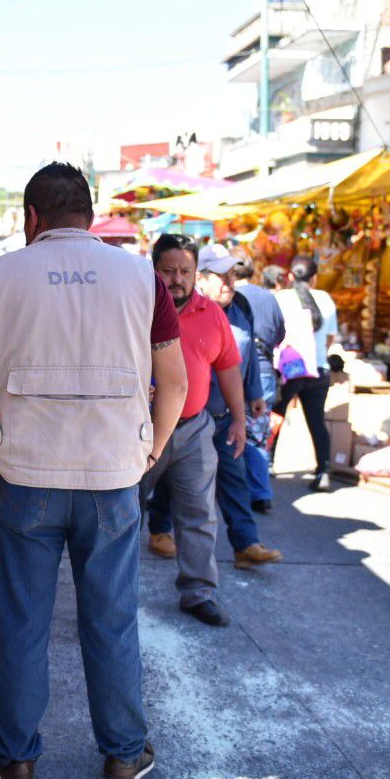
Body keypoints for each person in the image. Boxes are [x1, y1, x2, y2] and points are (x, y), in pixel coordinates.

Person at [0, 163, 186, 779]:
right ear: (89, 213)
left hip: (27, 472)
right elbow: (178, 382)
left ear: (32, 218)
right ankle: (123, 756)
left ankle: (18, 758)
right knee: (111, 619)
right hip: (113, 475)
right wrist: (151, 451)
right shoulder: (142, 277)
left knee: (23, 619)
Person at [142, 233, 246, 628]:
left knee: (199, 515)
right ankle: (111, 596)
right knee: (122, 512)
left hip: (193, 429)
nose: (177, 279)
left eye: (185, 270)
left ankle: (198, 592)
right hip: (142, 428)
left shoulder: (212, 313)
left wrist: (238, 419)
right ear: (154, 270)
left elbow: (228, 368)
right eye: (168, 270)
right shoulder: (136, 308)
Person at [181, 244, 281, 568]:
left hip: (224, 414)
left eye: (232, 274)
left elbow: (247, 358)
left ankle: (245, 544)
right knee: (175, 484)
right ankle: (158, 529)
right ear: (200, 279)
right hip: (187, 416)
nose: (228, 282)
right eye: (220, 276)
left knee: (235, 478)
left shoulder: (241, 308)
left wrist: (253, 394)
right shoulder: (180, 309)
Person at [273, 256, 339, 492]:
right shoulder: (327, 300)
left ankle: (267, 464)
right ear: (314, 278)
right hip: (319, 369)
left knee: (275, 415)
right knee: (316, 421)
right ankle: (323, 471)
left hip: (289, 370)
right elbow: (330, 339)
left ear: (290, 276)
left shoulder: (280, 299)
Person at [233, 256, 285, 513]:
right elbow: (280, 333)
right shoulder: (268, 297)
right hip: (263, 369)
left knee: (228, 432)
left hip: (233, 371)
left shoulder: (229, 297)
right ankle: (260, 493)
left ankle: (244, 491)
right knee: (258, 434)